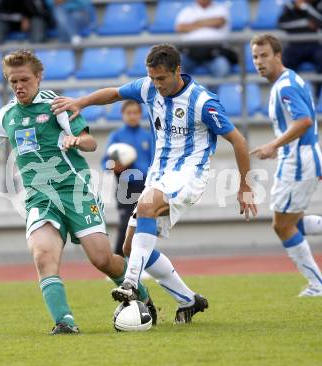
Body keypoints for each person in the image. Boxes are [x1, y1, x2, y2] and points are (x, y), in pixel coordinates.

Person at [0, 50, 156, 334]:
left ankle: (142, 297)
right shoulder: (7, 115)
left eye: (24, 79)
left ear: (38, 77)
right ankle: (64, 322)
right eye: (12, 81)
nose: (19, 86)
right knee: (43, 256)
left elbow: (91, 143)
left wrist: (75, 140)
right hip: (40, 197)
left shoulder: (56, 106)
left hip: (75, 191)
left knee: (102, 259)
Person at [52, 44, 257, 323]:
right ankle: (188, 300)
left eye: (162, 78)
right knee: (129, 247)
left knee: (146, 209)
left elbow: (239, 140)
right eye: (152, 78)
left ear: (177, 71)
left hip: (189, 173)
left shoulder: (202, 102)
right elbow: (113, 93)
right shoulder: (148, 87)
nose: (156, 84)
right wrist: (80, 102)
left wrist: (245, 185)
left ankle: (131, 283)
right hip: (158, 174)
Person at [250, 34, 322, 297]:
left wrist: (273, 145)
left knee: (282, 225)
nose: (259, 61)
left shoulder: (285, 86)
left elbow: (304, 122)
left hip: (298, 161)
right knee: (291, 222)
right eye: (255, 57)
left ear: (278, 55)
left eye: (264, 55)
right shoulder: (286, 81)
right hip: (299, 158)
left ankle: (317, 285)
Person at [102, 100, 153, 256]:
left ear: (140, 114)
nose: (132, 116)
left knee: (145, 225)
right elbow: (105, 162)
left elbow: (154, 162)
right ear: (123, 115)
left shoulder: (148, 136)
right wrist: (113, 166)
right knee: (126, 223)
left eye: (135, 113)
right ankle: (118, 261)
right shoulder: (116, 136)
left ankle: (141, 263)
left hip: (145, 185)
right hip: (125, 186)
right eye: (128, 113)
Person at [175, 0, 237, 78]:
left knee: (223, 68)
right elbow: (180, 27)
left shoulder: (221, 9)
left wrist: (193, 24)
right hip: (190, 53)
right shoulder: (186, 11)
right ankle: (189, 90)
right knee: (174, 68)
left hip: (215, 53)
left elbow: (219, 21)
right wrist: (208, 23)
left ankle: (213, 90)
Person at [278, 0, 322, 96]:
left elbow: (320, 22)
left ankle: (317, 96)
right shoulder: (291, 6)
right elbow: (282, 24)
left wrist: (305, 8)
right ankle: (289, 97)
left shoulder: (318, 4)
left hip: (314, 45)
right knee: (285, 66)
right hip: (295, 45)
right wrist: (306, 23)